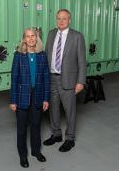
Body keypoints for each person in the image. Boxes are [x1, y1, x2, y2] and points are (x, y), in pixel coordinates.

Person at [43, 9, 86, 152]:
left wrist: (80, 81)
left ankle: (70, 138)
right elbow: (46, 55)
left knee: (70, 111)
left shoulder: (77, 36)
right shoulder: (50, 34)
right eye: (58, 18)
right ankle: (56, 134)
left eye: (64, 18)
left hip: (68, 80)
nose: (61, 21)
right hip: (52, 78)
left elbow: (82, 61)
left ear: (70, 20)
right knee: (53, 109)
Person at [10, 28, 50, 168]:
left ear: (37, 38)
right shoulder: (18, 56)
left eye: (33, 36)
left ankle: (36, 152)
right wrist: (13, 100)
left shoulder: (42, 55)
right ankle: (23, 156)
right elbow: (14, 79)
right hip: (22, 97)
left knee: (36, 125)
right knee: (21, 129)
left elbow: (46, 78)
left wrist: (46, 98)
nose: (31, 39)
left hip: (38, 96)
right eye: (28, 36)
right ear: (24, 39)